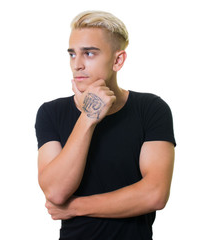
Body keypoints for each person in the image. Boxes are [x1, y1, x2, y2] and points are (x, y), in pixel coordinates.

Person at [34, 10, 176, 240]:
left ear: (117, 60)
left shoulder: (151, 108)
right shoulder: (51, 112)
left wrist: (75, 207)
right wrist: (88, 117)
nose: (77, 65)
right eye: (72, 54)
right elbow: (56, 192)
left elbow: (155, 195)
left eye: (89, 53)